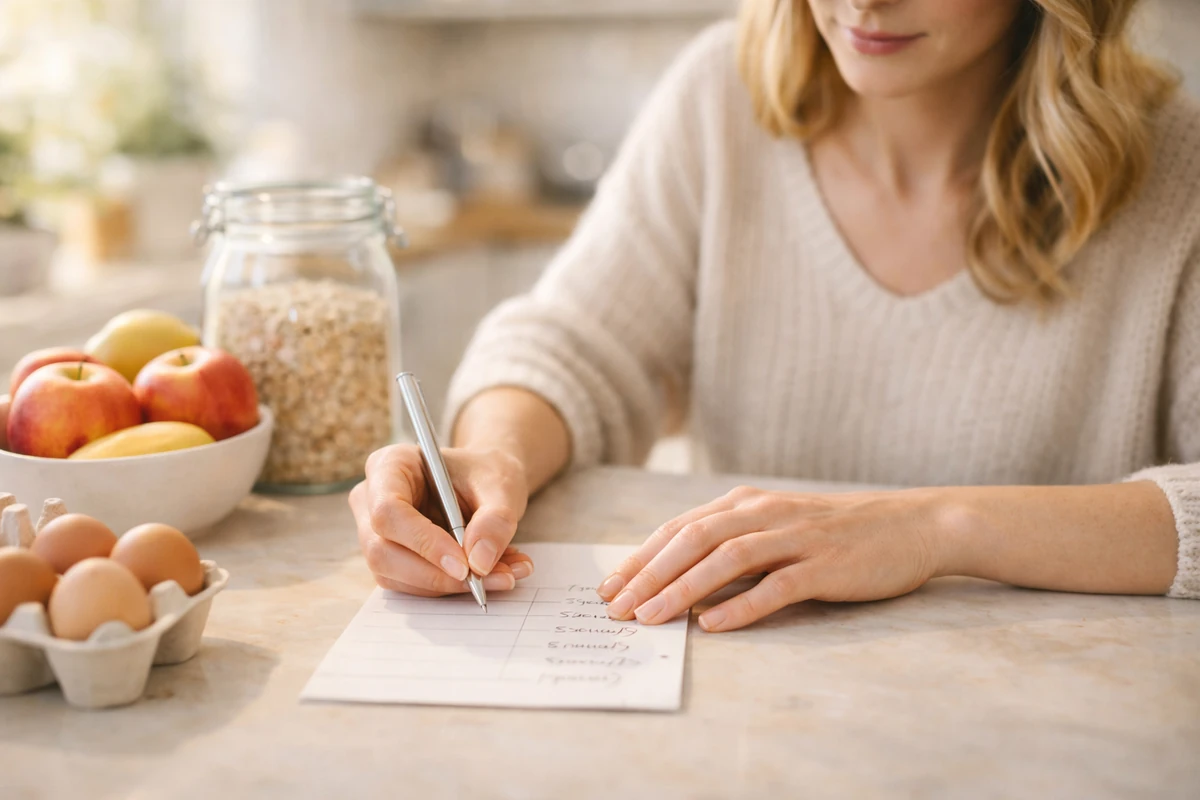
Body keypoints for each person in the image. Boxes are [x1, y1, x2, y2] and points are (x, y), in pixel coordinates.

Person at [351, 0, 1200, 632]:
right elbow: (570, 343)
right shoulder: (720, 97)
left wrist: (936, 527)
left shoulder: (1179, 168)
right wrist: (494, 454)